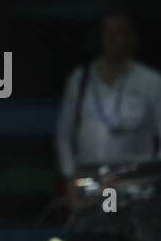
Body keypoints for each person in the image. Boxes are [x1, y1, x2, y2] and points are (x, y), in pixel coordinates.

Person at [56, 12, 161, 179]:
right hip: (88, 177)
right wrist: (70, 175)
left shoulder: (151, 82)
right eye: (107, 32)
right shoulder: (80, 80)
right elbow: (64, 133)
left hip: (136, 178)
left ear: (131, 38)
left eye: (119, 31)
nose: (112, 38)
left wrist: (153, 177)